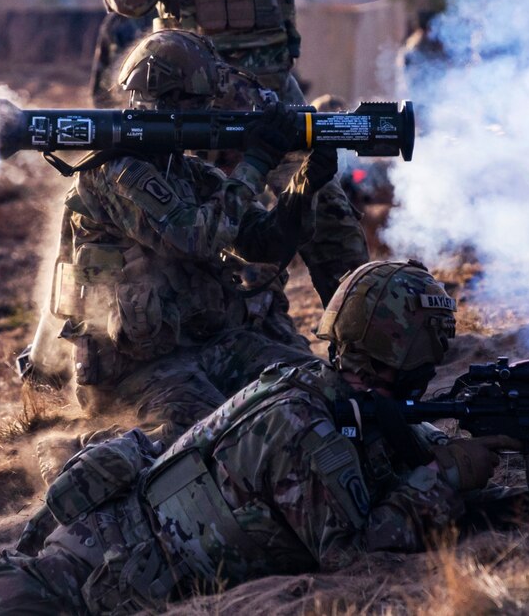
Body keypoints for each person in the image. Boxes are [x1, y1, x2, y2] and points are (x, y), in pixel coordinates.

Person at [0, 260, 518, 615]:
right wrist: (449, 474)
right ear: (404, 354)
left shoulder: (313, 389)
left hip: (113, 540)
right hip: (97, 572)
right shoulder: (308, 425)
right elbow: (354, 549)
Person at [21, 29, 334, 453]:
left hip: (203, 345)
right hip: (133, 368)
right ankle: (75, 450)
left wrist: (305, 186)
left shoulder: (185, 171)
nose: (208, 112)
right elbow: (192, 238)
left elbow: (264, 245)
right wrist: (256, 162)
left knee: (316, 386)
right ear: (169, 101)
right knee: (204, 439)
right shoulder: (116, 173)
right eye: (197, 103)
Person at [101, 0, 368, 303]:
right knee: (220, 239)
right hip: (191, 115)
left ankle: (361, 337)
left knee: (330, 218)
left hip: (274, 104)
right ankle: (248, 340)